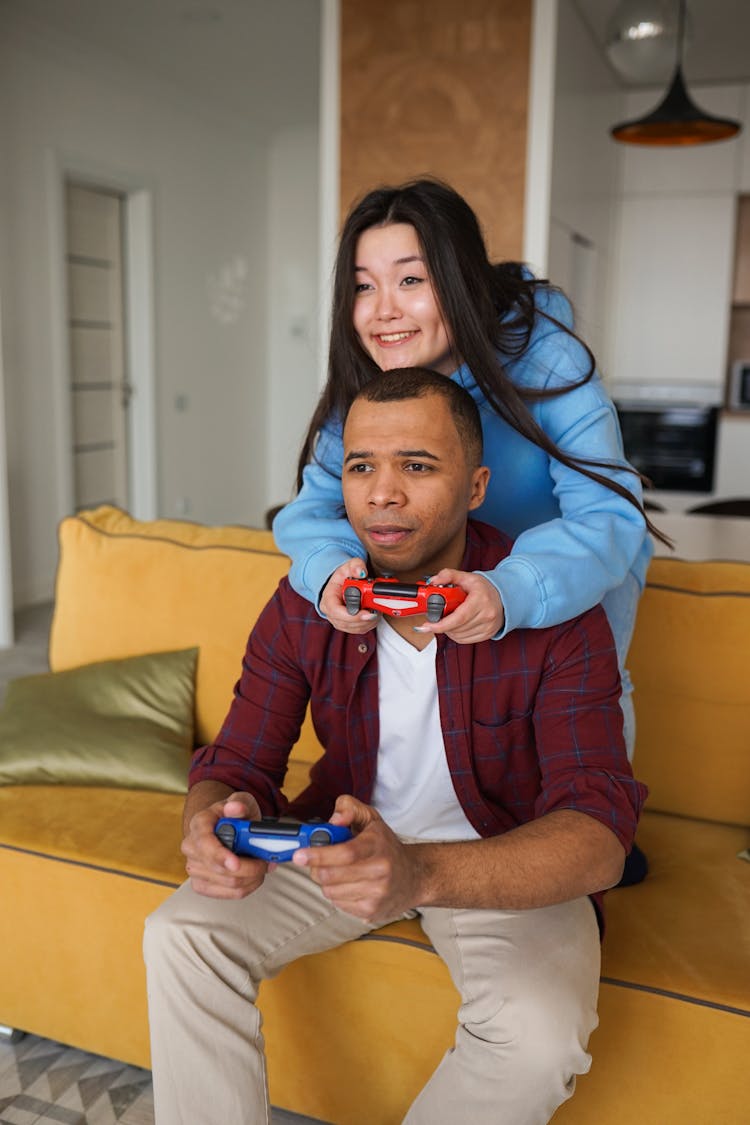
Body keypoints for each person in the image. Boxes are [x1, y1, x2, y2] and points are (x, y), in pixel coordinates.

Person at [144, 369, 647, 1125]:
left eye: (416, 465)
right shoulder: (309, 597)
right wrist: (211, 819)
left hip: (499, 854)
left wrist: (416, 874)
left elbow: (598, 832)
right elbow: (236, 763)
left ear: (476, 486)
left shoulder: (551, 603)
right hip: (340, 844)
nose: (382, 493)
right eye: (360, 466)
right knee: (179, 933)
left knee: (540, 1036)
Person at [272, 178, 666, 771]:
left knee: (578, 703)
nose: (383, 311)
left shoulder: (547, 357)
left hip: (568, 567)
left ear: (456, 280)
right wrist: (329, 571)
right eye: (362, 286)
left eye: (410, 280)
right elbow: (310, 512)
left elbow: (608, 514)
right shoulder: (362, 386)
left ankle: (603, 829)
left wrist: (514, 589)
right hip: (451, 567)